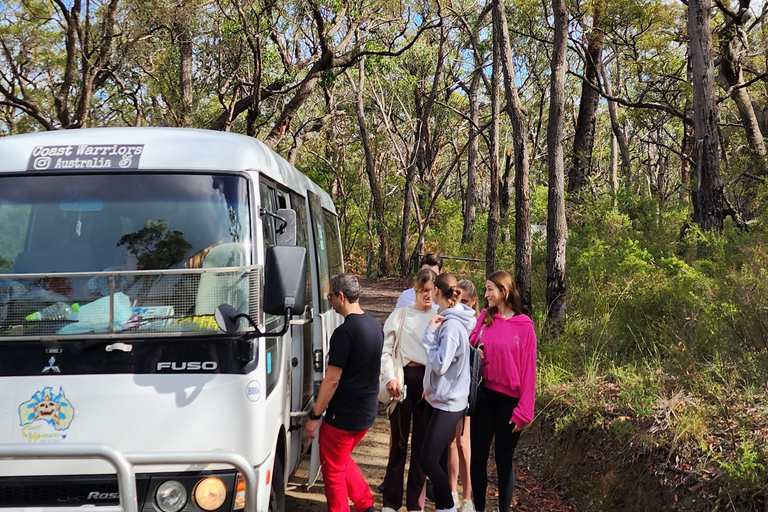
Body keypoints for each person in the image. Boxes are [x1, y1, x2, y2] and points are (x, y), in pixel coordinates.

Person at [305, 273, 383, 512]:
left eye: (330, 296)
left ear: (341, 296)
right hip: (366, 413)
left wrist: (315, 415)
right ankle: (365, 504)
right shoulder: (374, 325)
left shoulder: (344, 333)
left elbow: (332, 380)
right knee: (341, 458)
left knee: (333, 469)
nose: (329, 301)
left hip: (343, 416)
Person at [468, 271, 537, 512]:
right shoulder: (485, 318)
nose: (485, 294)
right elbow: (470, 346)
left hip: (510, 402)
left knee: (503, 461)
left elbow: (529, 370)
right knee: (477, 459)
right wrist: (474, 350)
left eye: (490, 290)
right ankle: (479, 508)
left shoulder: (524, 325)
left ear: (504, 291)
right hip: (484, 397)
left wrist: (524, 411)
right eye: (485, 289)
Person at [380, 268, 438, 512]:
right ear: (416, 289)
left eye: (433, 291)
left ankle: (416, 504)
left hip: (428, 387)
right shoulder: (401, 315)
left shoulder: (440, 316)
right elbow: (386, 350)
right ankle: (391, 503)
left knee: (422, 448)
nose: (428, 295)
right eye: (424, 290)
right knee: (399, 444)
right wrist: (390, 378)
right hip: (402, 384)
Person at [421, 273, 477, 512]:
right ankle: (446, 507)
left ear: (437, 292)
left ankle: (447, 507)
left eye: (432, 290)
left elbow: (441, 364)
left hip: (450, 403)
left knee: (428, 461)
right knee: (436, 459)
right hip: (442, 399)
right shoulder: (449, 319)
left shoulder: (451, 325)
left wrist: (429, 336)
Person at [446, 280, 479, 512]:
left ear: (473, 302)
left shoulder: (477, 324)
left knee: (463, 444)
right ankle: (451, 492)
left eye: (465, 301)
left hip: (467, 391)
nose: (461, 305)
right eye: (458, 301)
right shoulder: (449, 319)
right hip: (448, 388)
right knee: (449, 444)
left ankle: (468, 497)